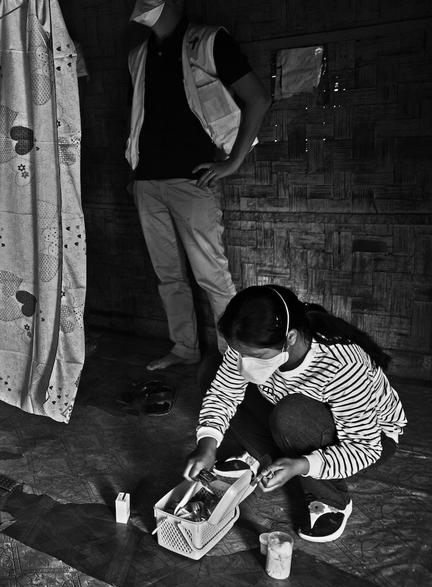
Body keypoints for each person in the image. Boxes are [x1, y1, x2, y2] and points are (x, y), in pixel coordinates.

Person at [183, 285, 407, 542]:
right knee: (211, 371)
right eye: (240, 353)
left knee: (290, 417)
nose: (243, 364)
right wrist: (207, 443)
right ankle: (271, 460)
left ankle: (330, 498)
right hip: (292, 409)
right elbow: (224, 392)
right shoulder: (251, 340)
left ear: (290, 338)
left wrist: (302, 464)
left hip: (368, 438)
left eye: (256, 356)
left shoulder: (342, 366)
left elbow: (364, 447)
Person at [126, 0, 272, 371]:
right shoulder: (138, 55)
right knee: (168, 276)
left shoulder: (208, 41)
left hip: (192, 179)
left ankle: (234, 360)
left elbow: (259, 97)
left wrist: (234, 161)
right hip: (146, 181)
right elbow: (141, 118)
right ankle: (184, 347)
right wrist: (135, 172)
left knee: (212, 275)